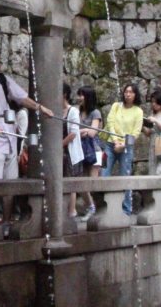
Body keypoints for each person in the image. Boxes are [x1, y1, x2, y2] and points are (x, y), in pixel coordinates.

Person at [0, 46, 53, 225]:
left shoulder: (4, 81)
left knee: (11, 184)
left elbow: (22, 98)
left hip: (10, 139)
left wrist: (40, 108)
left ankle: (8, 222)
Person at [101, 82, 143, 215]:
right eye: (126, 91)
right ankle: (104, 206)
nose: (128, 94)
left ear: (135, 95)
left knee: (125, 176)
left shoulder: (138, 111)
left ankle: (126, 209)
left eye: (131, 92)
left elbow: (136, 132)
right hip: (110, 144)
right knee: (104, 174)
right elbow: (110, 122)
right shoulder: (116, 106)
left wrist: (123, 145)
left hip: (126, 147)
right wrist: (115, 141)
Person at [77, 86, 102, 219]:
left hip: (94, 150)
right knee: (81, 183)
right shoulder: (77, 112)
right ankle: (91, 207)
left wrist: (79, 132)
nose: (79, 98)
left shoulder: (95, 113)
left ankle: (96, 209)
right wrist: (83, 132)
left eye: (82, 95)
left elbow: (93, 132)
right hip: (81, 150)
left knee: (92, 183)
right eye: (79, 95)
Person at [62, 83, 84, 218]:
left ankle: (72, 212)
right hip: (58, 154)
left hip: (69, 153)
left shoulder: (73, 111)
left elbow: (74, 133)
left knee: (70, 183)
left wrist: (60, 145)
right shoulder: (55, 110)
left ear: (64, 94)